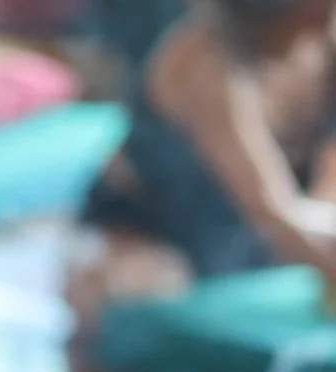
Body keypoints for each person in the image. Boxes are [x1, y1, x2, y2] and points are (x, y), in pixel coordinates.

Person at [71, 0, 336, 323]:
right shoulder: (204, 60)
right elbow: (267, 207)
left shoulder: (321, 48)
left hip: (243, 244)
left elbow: (324, 190)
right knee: (142, 291)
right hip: (148, 238)